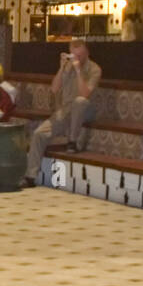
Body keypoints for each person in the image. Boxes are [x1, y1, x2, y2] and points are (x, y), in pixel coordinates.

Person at [22, 39, 102, 187]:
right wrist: (61, 68)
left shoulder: (94, 69)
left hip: (86, 110)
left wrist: (78, 71)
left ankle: (72, 141)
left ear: (87, 53)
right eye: (74, 54)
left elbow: (84, 94)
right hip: (66, 110)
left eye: (80, 54)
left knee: (79, 102)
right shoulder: (67, 67)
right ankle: (30, 176)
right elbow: (54, 89)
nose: (77, 58)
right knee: (39, 134)